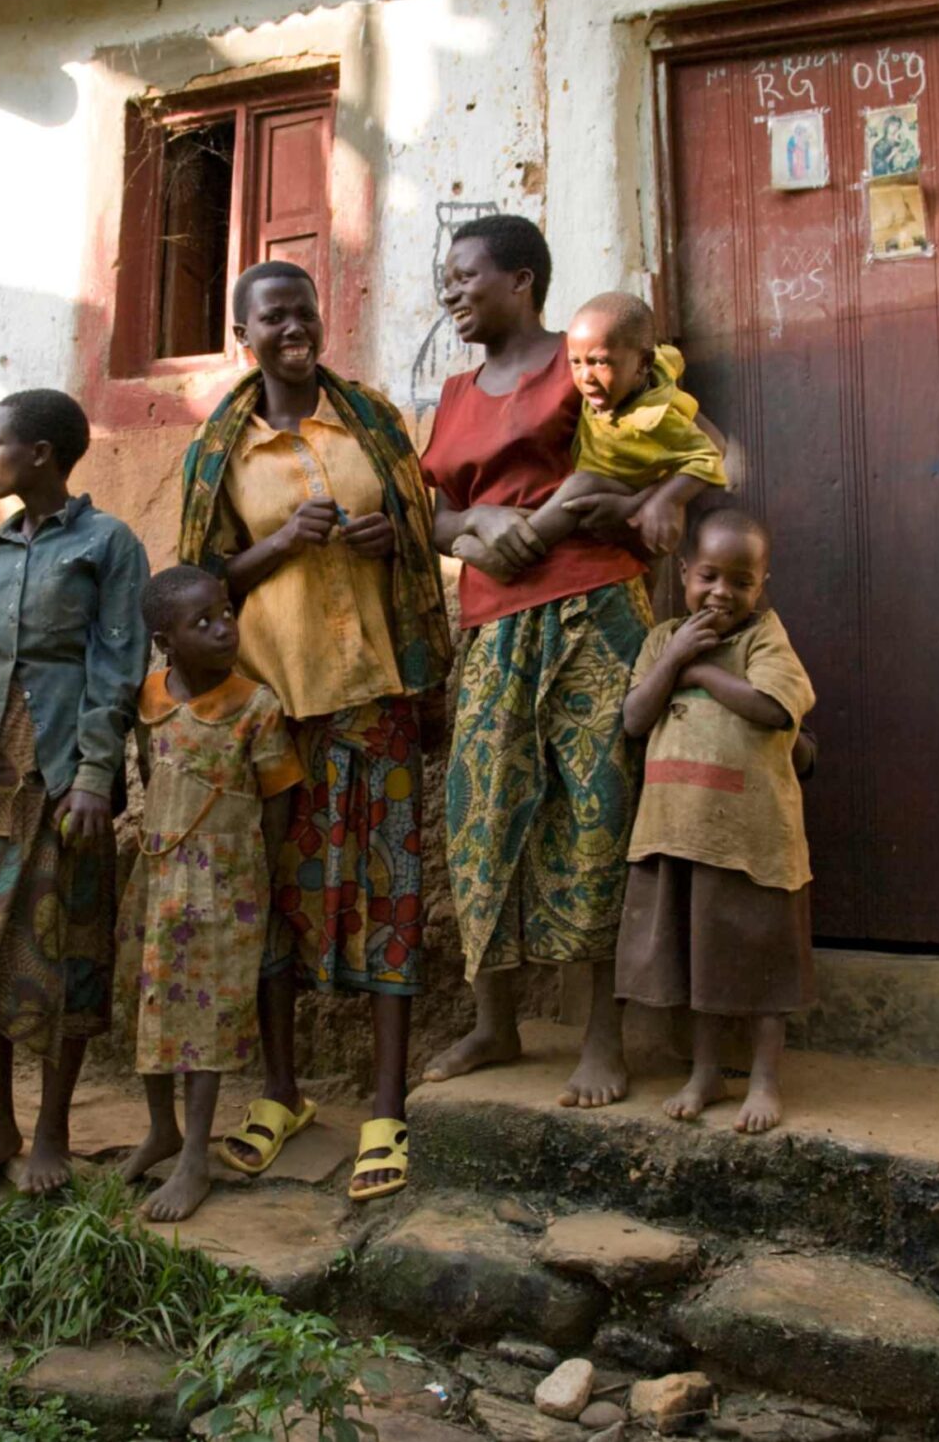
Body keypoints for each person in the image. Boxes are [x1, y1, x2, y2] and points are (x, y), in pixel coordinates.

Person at [177, 259, 455, 1203]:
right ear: (241, 333)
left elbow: (416, 542)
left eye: (303, 309)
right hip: (271, 707)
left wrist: (388, 542)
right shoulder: (220, 448)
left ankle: (386, 1108)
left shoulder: (371, 422)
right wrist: (282, 542)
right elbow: (198, 584)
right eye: (272, 315)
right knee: (273, 904)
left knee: (393, 891)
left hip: (375, 691)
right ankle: (283, 1093)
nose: (292, 326)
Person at [421, 213, 657, 1111]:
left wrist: (560, 518)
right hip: (492, 624)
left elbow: (667, 455)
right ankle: (496, 1020)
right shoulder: (452, 395)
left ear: (522, 280)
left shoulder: (590, 357)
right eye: (446, 280)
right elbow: (434, 513)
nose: (451, 294)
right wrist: (476, 528)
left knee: (596, 807)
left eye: (465, 276)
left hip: (596, 609)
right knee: (481, 807)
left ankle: (603, 1035)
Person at [0, 389, 148, 1200]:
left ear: (41, 454)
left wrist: (93, 775)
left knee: (61, 951)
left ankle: (52, 1127)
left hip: (58, 778)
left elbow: (117, 665)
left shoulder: (107, 543)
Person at [617, 510, 815, 1133]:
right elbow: (633, 719)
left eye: (741, 581)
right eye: (708, 576)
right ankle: (704, 1072)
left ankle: (762, 1079)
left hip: (753, 836)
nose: (722, 593)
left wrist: (701, 672)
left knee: (760, 963)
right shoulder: (661, 640)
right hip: (680, 831)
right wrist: (674, 657)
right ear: (683, 573)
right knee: (702, 966)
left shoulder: (764, 640)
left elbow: (772, 707)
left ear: (762, 586)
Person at [118, 566, 303, 1223]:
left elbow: (278, 801)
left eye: (226, 613)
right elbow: (148, 770)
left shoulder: (256, 706)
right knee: (154, 1006)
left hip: (226, 883)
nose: (225, 627)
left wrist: (262, 875)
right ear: (165, 640)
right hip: (161, 872)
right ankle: (160, 1128)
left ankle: (195, 1152)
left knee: (208, 1015)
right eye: (204, 622)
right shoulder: (148, 698)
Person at [452, 291, 724, 568]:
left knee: (583, 486)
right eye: (576, 362)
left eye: (600, 362)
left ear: (643, 364)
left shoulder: (655, 416)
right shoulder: (620, 383)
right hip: (608, 508)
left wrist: (660, 502)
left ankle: (506, 559)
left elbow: (709, 455)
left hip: (628, 494)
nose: (585, 377)